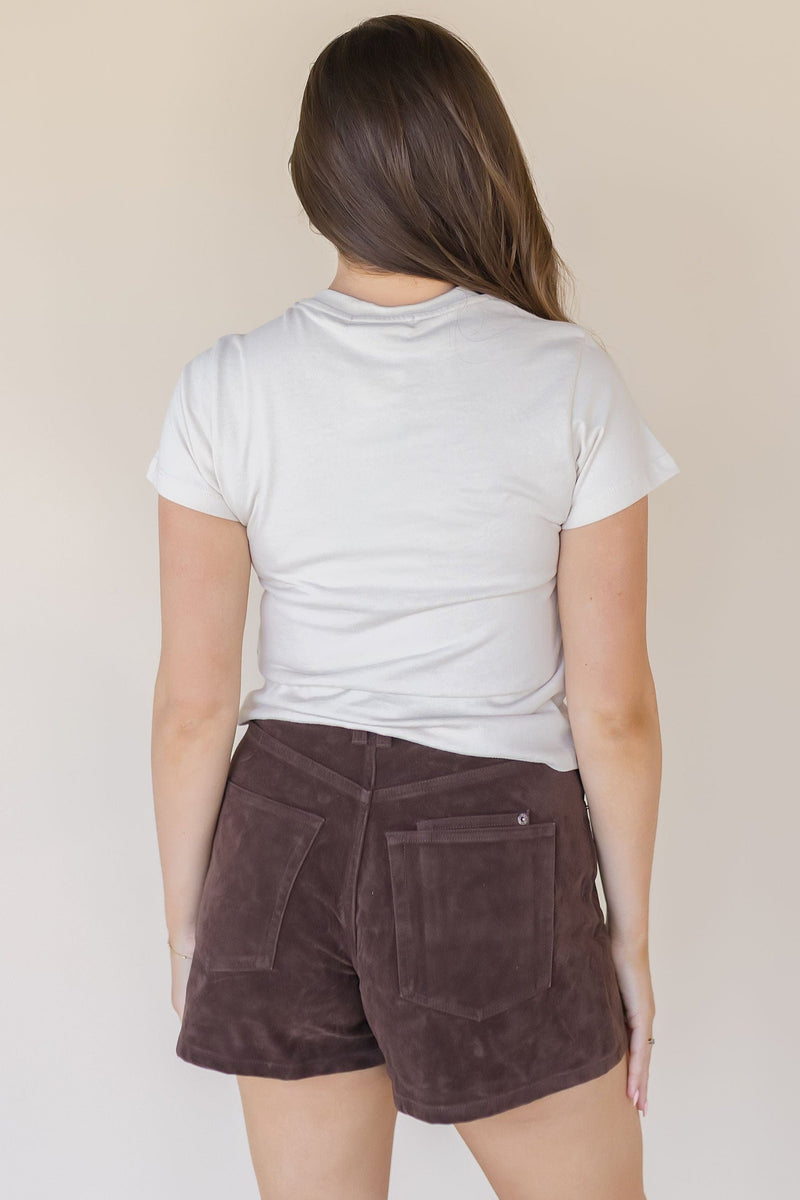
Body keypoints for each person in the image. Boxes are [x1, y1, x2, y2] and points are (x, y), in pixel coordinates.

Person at [145, 14, 679, 1200]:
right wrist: (630, 940)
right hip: (489, 835)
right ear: (476, 159)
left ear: (311, 180)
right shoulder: (565, 379)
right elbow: (613, 711)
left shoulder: (225, 387)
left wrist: (189, 924)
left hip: (276, 837)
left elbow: (193, 708)